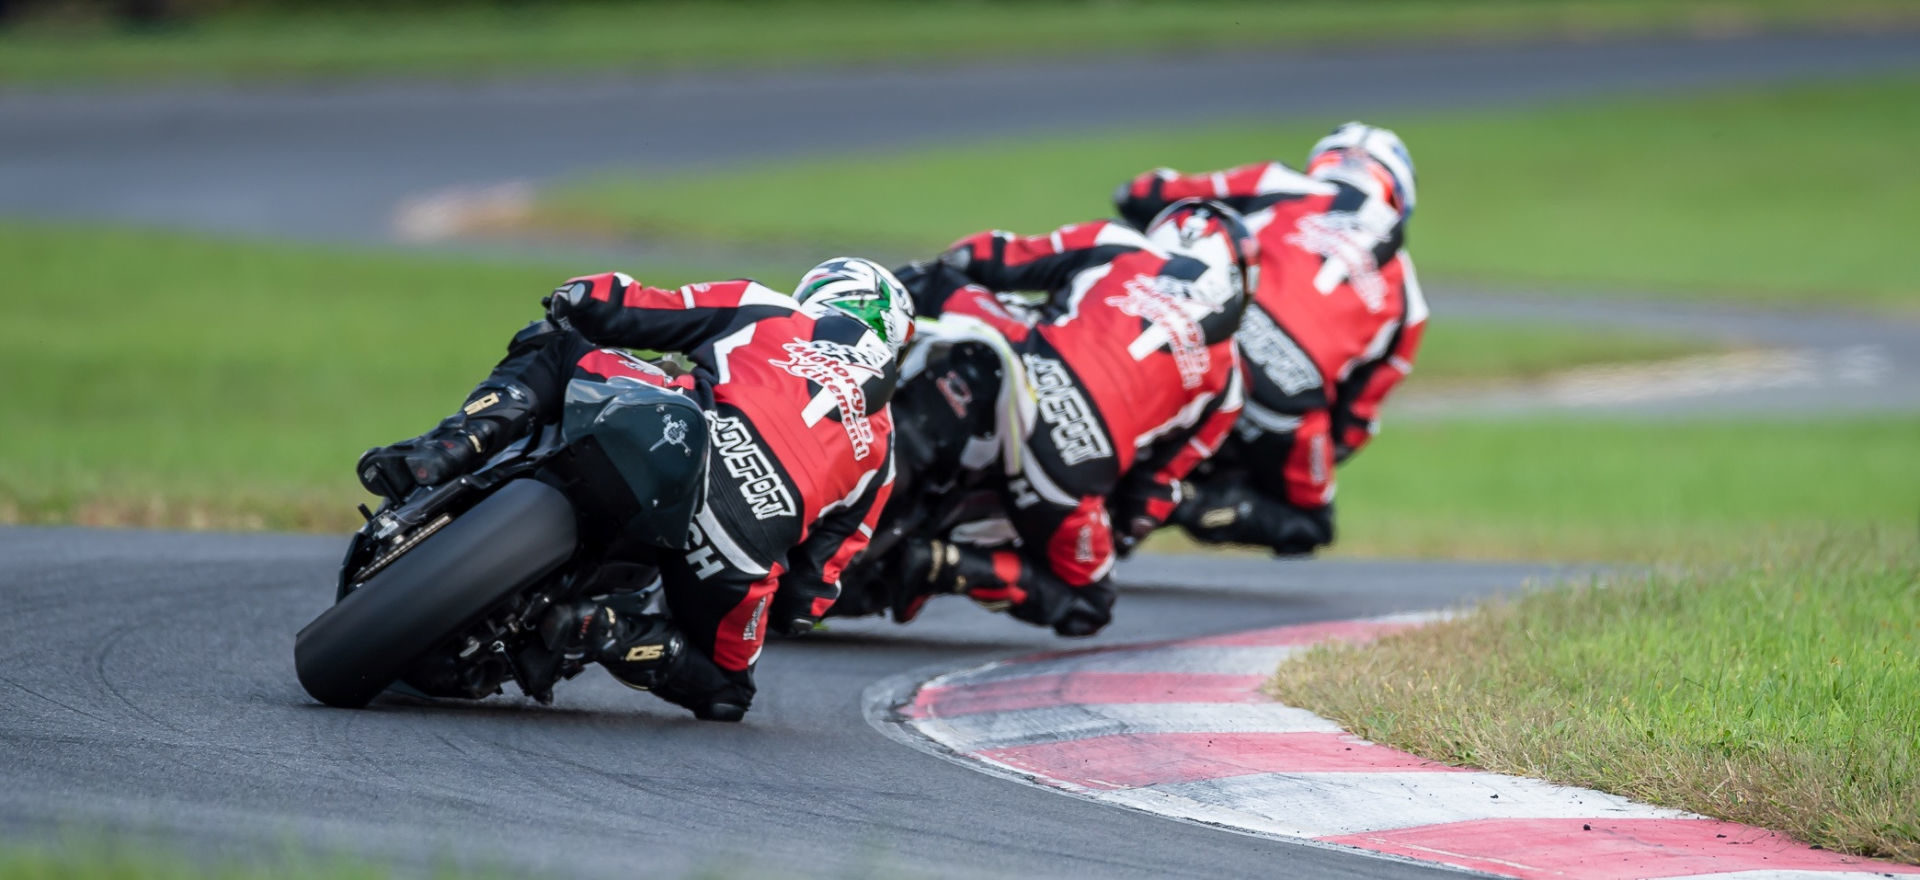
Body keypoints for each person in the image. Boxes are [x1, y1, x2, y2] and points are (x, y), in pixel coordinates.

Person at [356, 258, 912, 721]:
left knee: (558, 347)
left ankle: (448, 448)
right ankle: (608, 632)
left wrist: (576, 296)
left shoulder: (769, 308)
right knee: (726, 690)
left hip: (684, 432)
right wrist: (779, 594)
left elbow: (633, 305)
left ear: (821, 292)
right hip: (740, 541)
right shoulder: (883, 454)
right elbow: (808, 596)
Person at [884, 199, 1251, 636]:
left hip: (1022, 362)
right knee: (1087, 604)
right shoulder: (1230, 385)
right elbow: (1149, 499)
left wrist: (966, 278)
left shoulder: (1117, 243)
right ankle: (947, 563)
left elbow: (985, 255)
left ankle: (824, 370)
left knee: (930, 280)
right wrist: (1113, 527)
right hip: (1076, 462)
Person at [1111, 122, 1427, 556]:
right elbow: (1354, 422)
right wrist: (1284, 457)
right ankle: (1198, 503)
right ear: (1399, 200)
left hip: (1212, 329)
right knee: (1310, 524)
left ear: (1323, 162)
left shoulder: (1281, 182)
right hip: (1289, 396)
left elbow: (1144, 195)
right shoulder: (1411, 300)